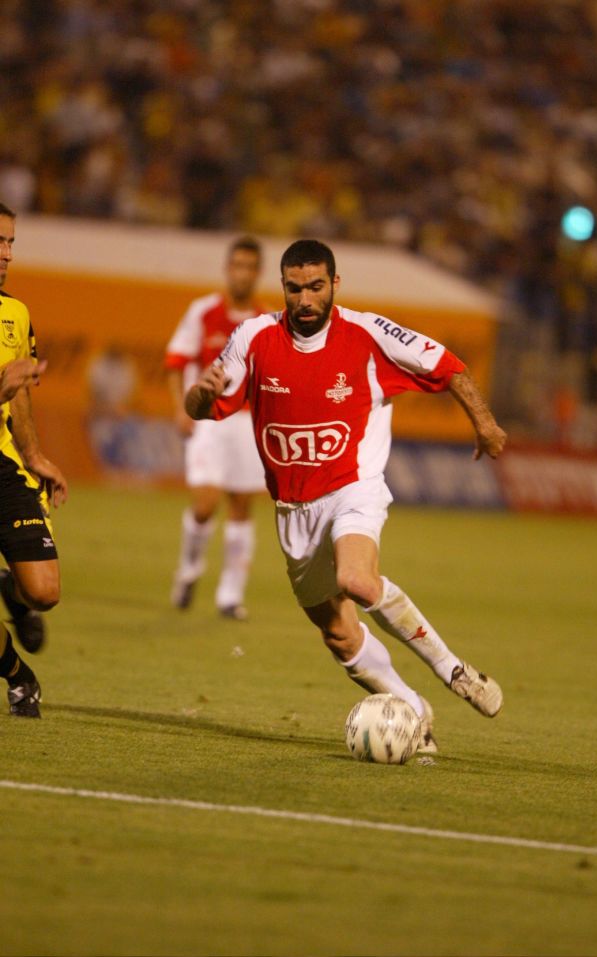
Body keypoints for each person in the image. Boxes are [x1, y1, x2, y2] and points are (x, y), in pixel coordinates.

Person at [185, 239, 507, 752]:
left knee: (355, 580)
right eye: (295, 289)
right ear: (283, 287)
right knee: (338, 634)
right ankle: (414, 713)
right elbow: (205, 405)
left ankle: (453, 670)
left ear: (335, 283)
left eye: (316, 287)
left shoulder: (369, 333)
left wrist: (485, 424)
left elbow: (449, 365)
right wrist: (199, 395)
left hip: (353, 488)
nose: (305, 299)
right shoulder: (253, 336)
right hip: (293, 510)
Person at [165, 236, 266, 620]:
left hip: (247, 422)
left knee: (241, 505)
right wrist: (180, 408)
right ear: (227, 269)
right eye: (236, 265)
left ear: (257, 273)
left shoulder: (265, 321)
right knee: (205, 504)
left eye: (249, 267)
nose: (242, 273)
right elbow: (176, 361)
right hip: (209, 421)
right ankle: (189, 569)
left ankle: (230, 595)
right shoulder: (203, 311)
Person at [0, 202, 68, 717]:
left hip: (2, 466)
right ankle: (18, 676)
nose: (6, 254)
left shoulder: (15, 313)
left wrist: (34, 454)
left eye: (10, 243)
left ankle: (13, 592)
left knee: (44, 593)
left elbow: (19, 391)